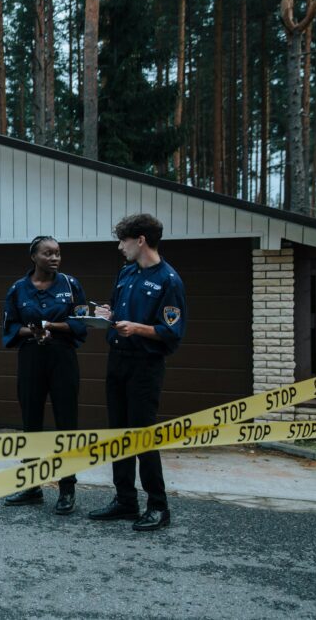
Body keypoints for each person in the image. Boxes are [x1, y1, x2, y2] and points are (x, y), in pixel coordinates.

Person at [89, 214, 186, 532]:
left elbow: (171, 332)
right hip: (117, 360)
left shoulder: (169, 280)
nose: (120, 247)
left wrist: (138, 328)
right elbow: (118, 310)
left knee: (142, 436)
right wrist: (107, 314)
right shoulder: (126, 272)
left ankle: (158, 507)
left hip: (145, 365)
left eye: (124, 240)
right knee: (118, 434)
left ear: (140, 240)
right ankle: (125, 501)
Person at [1, 236, 89, 515]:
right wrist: (34, 331)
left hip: (62, 357)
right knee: (31, 422)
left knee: (66, 422)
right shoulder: (18, 289)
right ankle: (32, 487)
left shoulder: (71, 285)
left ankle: (67, 489)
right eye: (48, 253)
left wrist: (51, 326)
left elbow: (81, 323)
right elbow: (10, 327)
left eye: (58, 253)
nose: (55, 258)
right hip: (31, 357)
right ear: (34, 257)